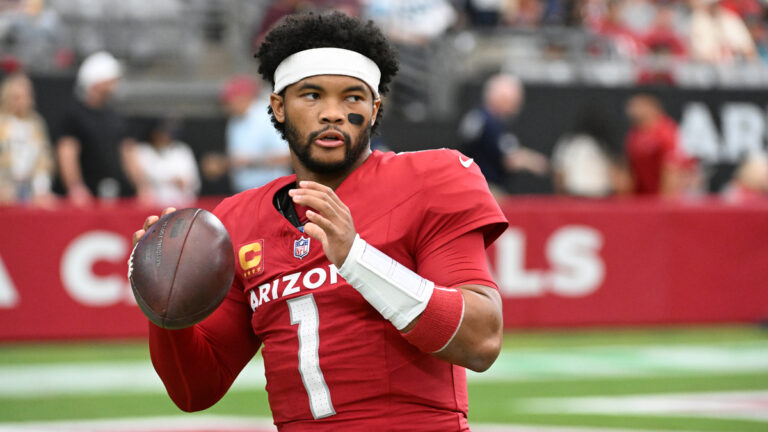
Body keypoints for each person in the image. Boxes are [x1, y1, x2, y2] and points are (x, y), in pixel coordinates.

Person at [131, 11, 508, 431]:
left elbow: (481, 341)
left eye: (352, 97)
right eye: (311, 95)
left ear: (374, 107)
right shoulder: (238, 218)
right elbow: (196, 389)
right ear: (278, 105)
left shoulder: (431, 180)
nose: (332, 112)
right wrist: (166, 307)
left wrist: (357, 258)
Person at [56, 51, 135, 205]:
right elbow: (67, 152)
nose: (115, 84)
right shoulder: (74, 115)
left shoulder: (115, 116)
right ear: (97, 82)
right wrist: (75, 187)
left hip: (117, 197)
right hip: (85, 200)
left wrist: (142, 187)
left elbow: (127, 152)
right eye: (111, 80)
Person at [458, 73, 548, 198]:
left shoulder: (477, 117)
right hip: (485, 189)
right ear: (502, 98)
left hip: (472, 186)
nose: (517, 107)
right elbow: (510, 159)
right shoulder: (490, 123)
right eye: (514, 101)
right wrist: (535, 162)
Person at [221, 75, 291, 192]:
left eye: (231, 100)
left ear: (245, 97)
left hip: (272, 190)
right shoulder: (233, 120)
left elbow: (286, 157)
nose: (227, 106)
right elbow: (237, 159)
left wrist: (251, 162)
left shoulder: (268, 116)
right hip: (244, 191)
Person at [624, 93, 699, 197]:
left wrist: (665, 202)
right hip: (646, 196)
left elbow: (672, 168)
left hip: (666, 197)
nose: (632, 110)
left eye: (639, 106)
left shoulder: (665, 131)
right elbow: (632, 170)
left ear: (652, 108)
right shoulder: (634, 134)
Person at [0, 71, 54, 205]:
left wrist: (41, 189)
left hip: (30, 192)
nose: (22, 102)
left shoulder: (36, 124)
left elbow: (44, 160)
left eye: (26, 97)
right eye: (16, 97)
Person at [131, 118, 200, 207]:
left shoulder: (182, 150)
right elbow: (142, 180)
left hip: (182, 206)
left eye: (167, 133)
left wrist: (182, 182)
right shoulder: (143, 151)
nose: (164, 137)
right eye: (160, 133)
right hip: (152, 206)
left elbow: (194, 183)